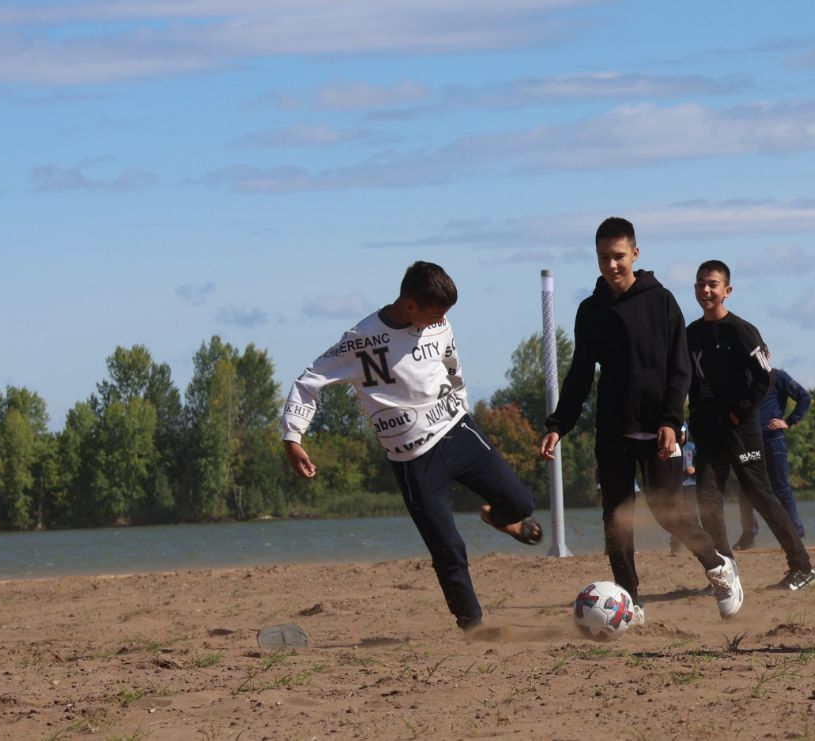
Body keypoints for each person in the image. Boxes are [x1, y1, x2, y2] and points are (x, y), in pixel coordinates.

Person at [282, 261, 542, 632]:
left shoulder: (440, 323)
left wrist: (463, 403)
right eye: (435, 314)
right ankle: (474, 626)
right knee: (447, 547)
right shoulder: (361, 339)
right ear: (410, 305)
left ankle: (497, 518)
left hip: (458, 432)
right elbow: (308, 381)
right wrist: (293, 436)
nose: (440, 322)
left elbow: (452, 364)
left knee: (523, 504)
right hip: (413, 460)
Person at [540, 218, 743, 620]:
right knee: (616, 520)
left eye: (618, 257)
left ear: (635, 254)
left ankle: (719, 567)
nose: (611, 265)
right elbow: (580, 373)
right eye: (603, 258)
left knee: (668, 512)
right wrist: (558, 424)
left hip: (659, 430)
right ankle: (631, 602)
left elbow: (680, 367)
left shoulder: (661, 300)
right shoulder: (591, 310)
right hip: (613, 430)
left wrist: (670, 420)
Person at [687, 260, 815, 590]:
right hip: (708, 433)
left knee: (761, 495)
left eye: (712, 284)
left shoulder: (742, 331)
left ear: (727, 290)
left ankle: (802, 567)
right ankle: (724, 572)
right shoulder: (692, 334)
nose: (705, 290)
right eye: (700, 283)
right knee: (708, 501)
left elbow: (765, 379)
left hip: (741, 430)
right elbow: (687, 382)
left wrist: (738, 413)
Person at [733, 347, 811, 550]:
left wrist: (790, 421)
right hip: (749, 441)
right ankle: (748, 535)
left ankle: (796, 534)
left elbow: (804, 398)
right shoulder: (745, 380)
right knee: (746, 489)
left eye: (763, 356)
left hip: (773, 440)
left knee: (781, 488)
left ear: (768, 357)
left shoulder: (779, 377)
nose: (759, 360)